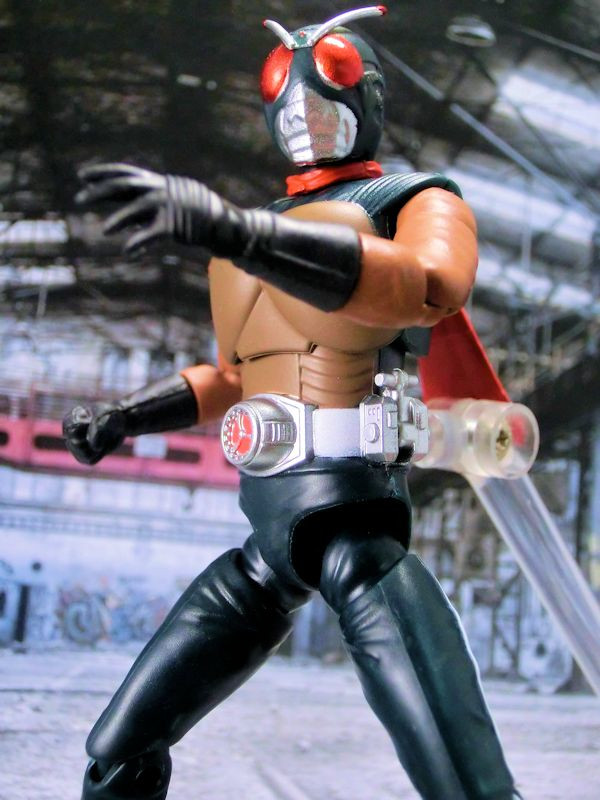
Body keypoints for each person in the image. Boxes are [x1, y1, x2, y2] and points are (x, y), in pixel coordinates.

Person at [64, 7, 521, 799]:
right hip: (267, 541)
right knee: (118, 751)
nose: (304, 114)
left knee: (463, 777)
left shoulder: (413, 199)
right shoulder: (257, 230)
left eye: (328, 87)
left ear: (368, 96)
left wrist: (239, 235)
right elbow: (235, 376)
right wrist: (125, 418)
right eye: (286, 94)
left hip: (357, 528)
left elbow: (431, 287)